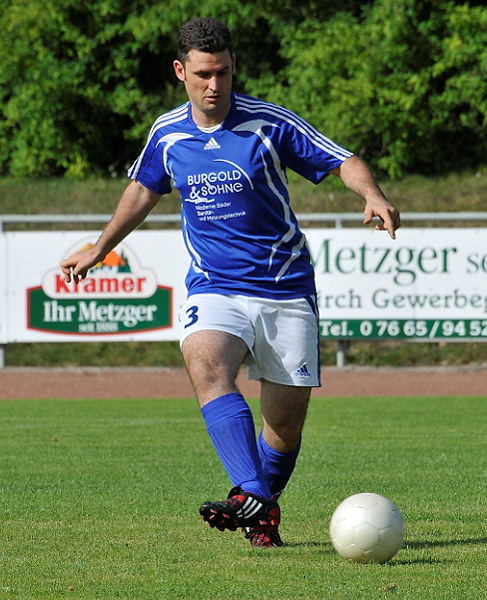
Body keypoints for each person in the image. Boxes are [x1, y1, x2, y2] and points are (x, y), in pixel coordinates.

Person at [60, 17, 401, 548]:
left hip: (285, 287)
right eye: (202, 74)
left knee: (283, 427)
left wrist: (372, 195)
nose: (213, 85)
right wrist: (100, 248)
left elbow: (342, 161)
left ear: (234, 66)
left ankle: (259, 509)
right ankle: (251, 493)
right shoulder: (167, 133)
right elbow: (143, 190)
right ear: (181, 71)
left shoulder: (268, 123)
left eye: (222, 72)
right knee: (205, 361)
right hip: (215, 285)